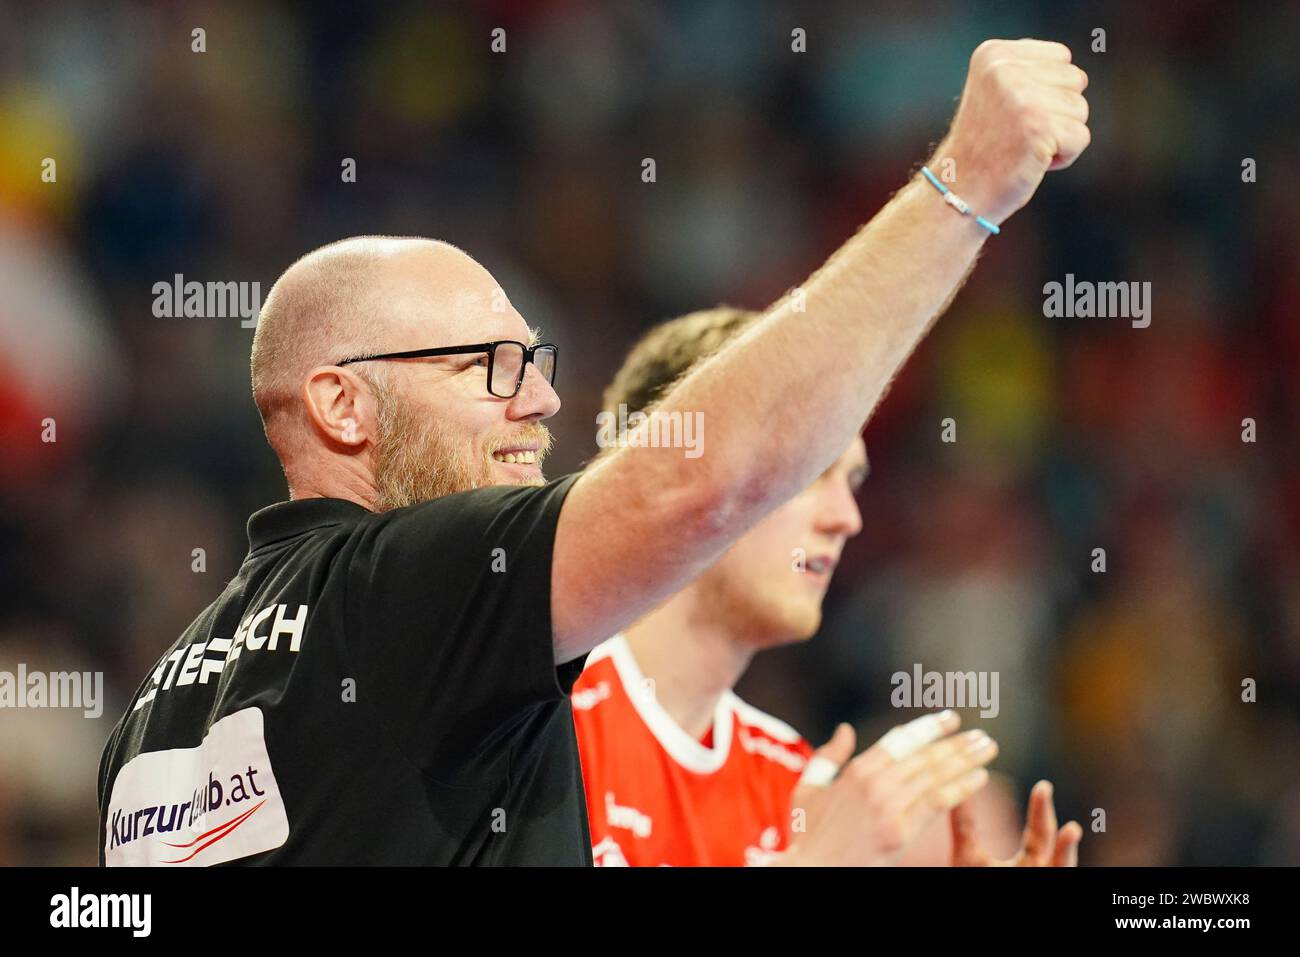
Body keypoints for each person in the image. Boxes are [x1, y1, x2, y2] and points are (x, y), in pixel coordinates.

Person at [96, 39, 1091, 865]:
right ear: (343, 405)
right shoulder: (402, 590)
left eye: (536, 360)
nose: (540, 400)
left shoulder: (155, 718)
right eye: (488, 367)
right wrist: (964, 184)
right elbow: (699, 480)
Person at [574, 307, 1083, 866]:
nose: (847, 517)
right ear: (680, 466)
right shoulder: (534, 712)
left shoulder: (794, 789)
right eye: (810, 469)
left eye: (853, 481)